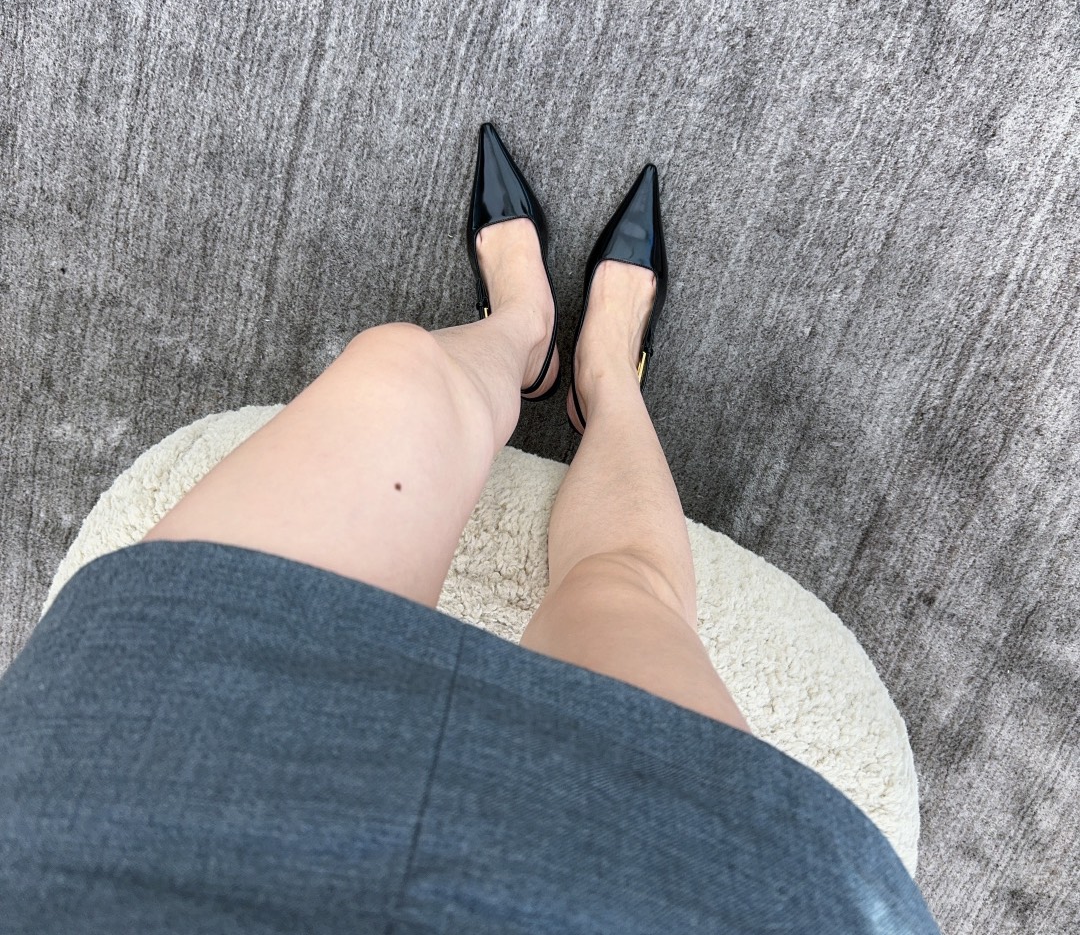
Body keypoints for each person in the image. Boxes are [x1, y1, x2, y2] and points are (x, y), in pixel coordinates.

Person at [0, 124, 939, 933]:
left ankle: (525, 329)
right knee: (623, 587)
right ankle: (605, 378)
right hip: (658, 891)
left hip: (135, 813)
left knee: (396, 372)